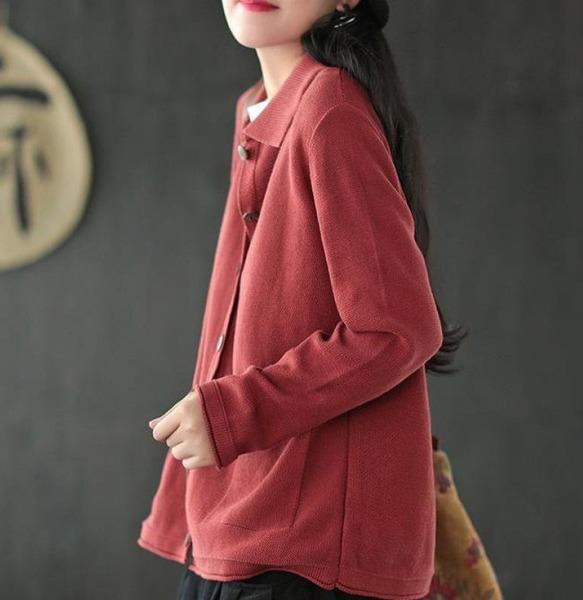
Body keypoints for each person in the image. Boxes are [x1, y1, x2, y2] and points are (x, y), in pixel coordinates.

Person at [138, 1, 467, 599]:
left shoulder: (329, 109)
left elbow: (398, 328)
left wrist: (233, 415)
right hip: (242, 530)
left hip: (299, 556)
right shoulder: (261, 105)